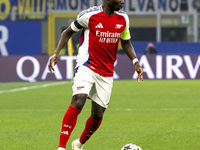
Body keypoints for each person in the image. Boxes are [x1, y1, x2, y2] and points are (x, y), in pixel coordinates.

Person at [48, 0, 143, 150]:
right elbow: (67, 32)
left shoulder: (123, 19)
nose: (122, 1)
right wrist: (56, 53)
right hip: (87, 66)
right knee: (79, 100)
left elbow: (125, 42)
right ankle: (61, 147)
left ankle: (78, 144)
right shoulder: (89, 16)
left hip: (106, 72)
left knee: (98, 114)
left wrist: (135, 61)